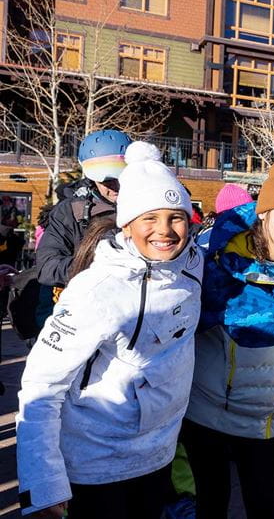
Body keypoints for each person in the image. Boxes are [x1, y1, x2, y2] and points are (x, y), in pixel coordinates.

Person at [16, 150, 201, 518]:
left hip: (158, 455)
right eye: (149, 218)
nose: (164, 230)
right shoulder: (96, 289)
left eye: (175, 217)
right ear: (127, 225)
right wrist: (43, 485)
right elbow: (41, 386)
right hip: (97, 464)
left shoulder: (191, 266)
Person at [182, 159, 274, 519]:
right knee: (212, 504)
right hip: (208, 413)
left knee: (264, 505)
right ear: (263, 213)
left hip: (265, 417)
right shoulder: (219, 265)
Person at [36, 130, 132, 288]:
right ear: (92, 177)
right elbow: (47, 267)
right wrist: (101, 267)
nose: (116, 187)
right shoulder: (71, 211)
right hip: (92, 297)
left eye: (122, 176)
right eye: (106, 181)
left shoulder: (153, 204)